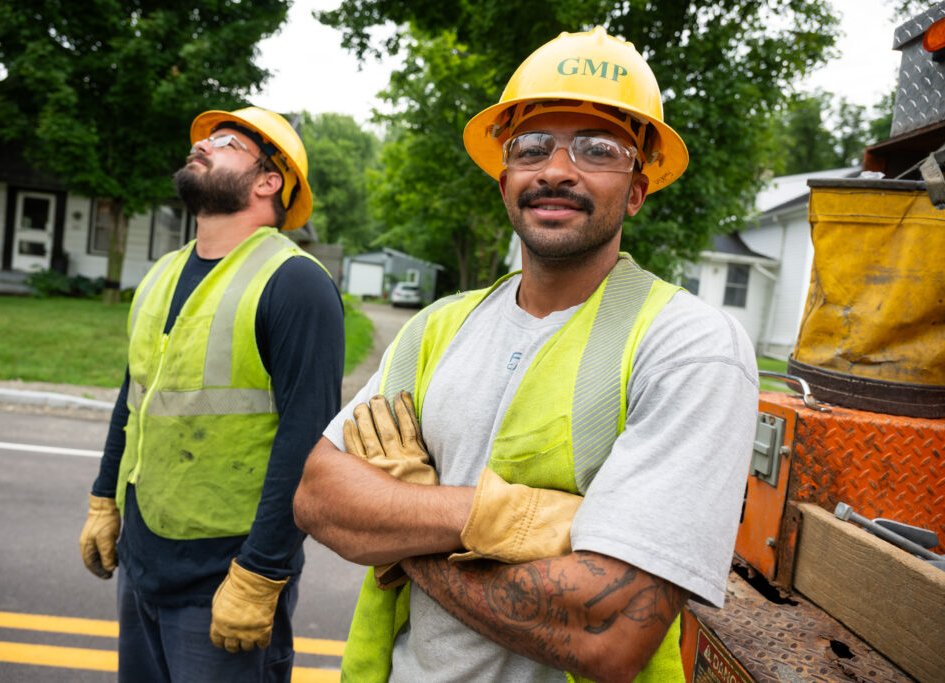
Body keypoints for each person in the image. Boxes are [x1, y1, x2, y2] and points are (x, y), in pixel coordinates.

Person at [293, 28, 758, 683]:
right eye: (532, 146)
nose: (557, 169)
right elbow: (317, 494)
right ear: (504, 180)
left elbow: (611, 635)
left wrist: (404, 524)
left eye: (598, 148)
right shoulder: (435, 328)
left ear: (636, 190)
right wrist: (499, 517)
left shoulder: (687, 347)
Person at [78, 106, 344, 682]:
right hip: (143, 563)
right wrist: (104, 500)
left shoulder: (295, 282)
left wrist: (260, 575)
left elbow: (306, 442)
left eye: (224, 142)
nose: (201, 147)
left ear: (267, 180)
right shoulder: (162, 273)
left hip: (226, 579)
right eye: (202, 140)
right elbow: (135, 396)